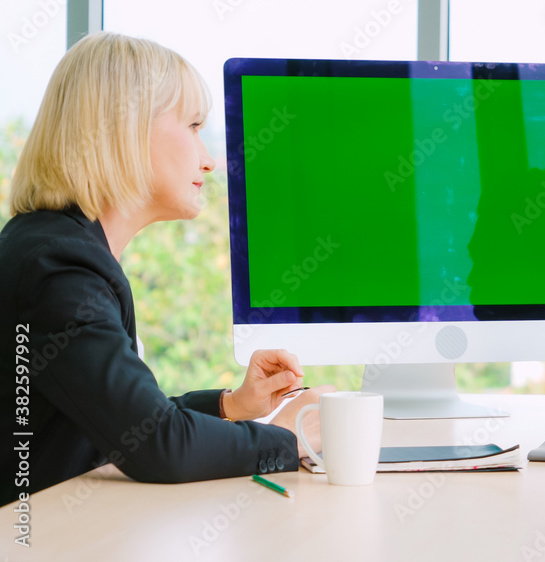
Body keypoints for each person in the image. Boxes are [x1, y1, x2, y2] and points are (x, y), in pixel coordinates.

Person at [0, 32, 332, 506]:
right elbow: (157, 445)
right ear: (127, 129)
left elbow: (123, 422)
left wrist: (230, 406)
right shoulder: (59, 269)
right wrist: (288, 438)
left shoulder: (61, 249)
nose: (209, 160)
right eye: (194, 126)